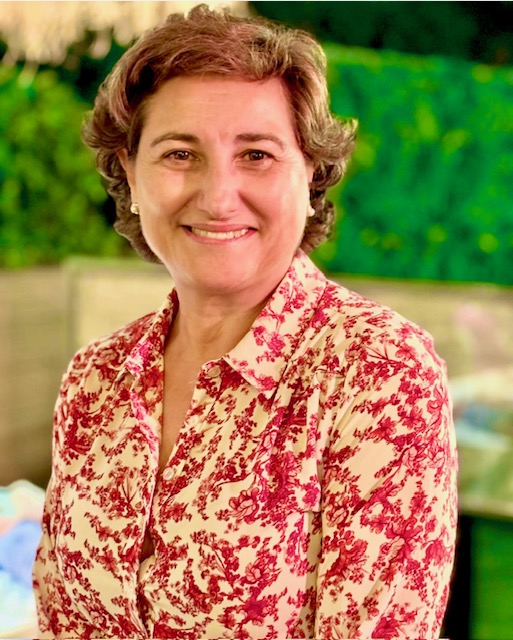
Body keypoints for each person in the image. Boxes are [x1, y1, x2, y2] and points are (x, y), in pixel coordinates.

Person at [33, 5, 457, 638]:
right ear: (130, 172)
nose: (217, 197)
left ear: (310, 172)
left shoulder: (380, 374)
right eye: (180, 153)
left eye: (256, 154)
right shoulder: (95, 378)